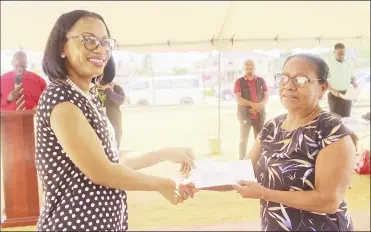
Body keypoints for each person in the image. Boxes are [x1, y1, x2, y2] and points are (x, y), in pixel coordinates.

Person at [36, 10, 195, 231]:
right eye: (89, 40)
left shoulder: (87, 96)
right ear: (62, 47)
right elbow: (101, 171)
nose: (100, 49)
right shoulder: (61, 99)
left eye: (105, 42)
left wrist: (164, 153)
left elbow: (112, 161)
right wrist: (161, 184)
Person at [187, 54, 356, 231]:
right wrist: (199, 178)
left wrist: (264, 193)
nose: (289, 86)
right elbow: (241, 172)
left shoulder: (331, 130)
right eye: (284, 78)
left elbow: (328, 201)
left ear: (322, 88)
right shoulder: (272, 127)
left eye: (300, 79)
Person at [234, 59, 269, 159]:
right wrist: (254, 105)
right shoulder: (239, 82)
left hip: (259, 115)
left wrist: (259, 106)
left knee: (259, 140)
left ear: (254, 67)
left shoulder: (261, 81)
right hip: (245, 115)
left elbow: (266, 96)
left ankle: (258, 160)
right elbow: (239, 99)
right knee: (243, 140)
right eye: (246, 65)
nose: (249, 67)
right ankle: (241, 161)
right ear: (243, 68)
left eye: (251, 64)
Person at [92, 58, 125, 150]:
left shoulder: (116, 88)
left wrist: (109, 90)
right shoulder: (93, 88)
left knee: (115, 148)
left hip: (114, 122)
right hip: (98, 123)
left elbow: (121, 101)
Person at [327, 43, 358, 118]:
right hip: (334, 94)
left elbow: (352, 77)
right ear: (334, 52)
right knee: (335, 120)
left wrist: (354, 83)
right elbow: (324, 80)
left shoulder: (349, 63)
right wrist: (332, 90)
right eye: (339, 53)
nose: (341, 55)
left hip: (347, 94)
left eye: (343, 53)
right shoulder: (328, 63)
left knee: (346, 119)